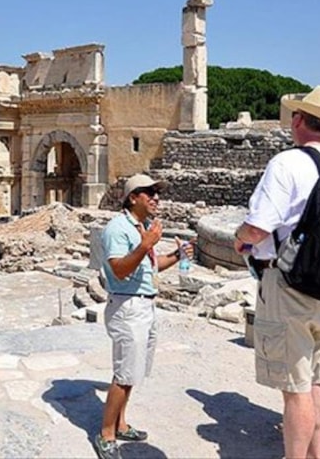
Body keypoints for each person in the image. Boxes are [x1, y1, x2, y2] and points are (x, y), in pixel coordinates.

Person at [233, 86, 320, 459]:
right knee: (319, 380)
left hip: (290, 284)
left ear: (299, 120)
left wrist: (240, 239)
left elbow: (258, 227)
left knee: (295, 388)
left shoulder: (287, 163)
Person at [93, 173, 192, 459]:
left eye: (157, 193)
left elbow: (150, 267)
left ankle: (121, 424)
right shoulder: (118, 228)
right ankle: (106, 434)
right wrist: (145, 244)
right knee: (124, 373)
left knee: (133, 371)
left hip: (144, 305)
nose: (156, 198)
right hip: (127, 307)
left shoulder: (143, 227)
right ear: (133, 197)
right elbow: (119, 270)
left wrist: (177, 255)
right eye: (149, 193)